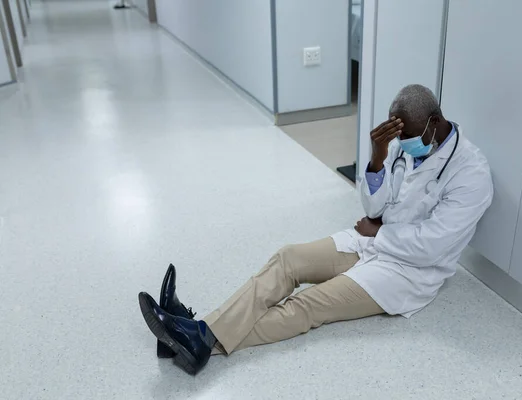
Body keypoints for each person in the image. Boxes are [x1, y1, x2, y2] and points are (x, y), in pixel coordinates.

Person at [138, 84, 494, 375]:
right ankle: (192, 334)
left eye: (411, 135)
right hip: (371, 241)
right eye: (399, 137)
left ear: (434, 122)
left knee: (308, 306)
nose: (405, 146)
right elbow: (373, 209)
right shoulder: (404, 148)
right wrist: (376, 159)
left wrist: (378, 234)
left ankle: (194, 336)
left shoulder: (470, 174)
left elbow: (432, 247)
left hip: (408, 273)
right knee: (287, 258)